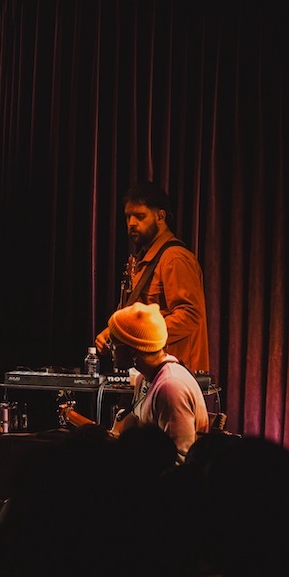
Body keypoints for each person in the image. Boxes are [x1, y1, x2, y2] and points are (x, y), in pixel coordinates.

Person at [94, 181, 210, 374]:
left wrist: (141, 335)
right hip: (155, 372)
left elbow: (190, 315)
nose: (132, 223)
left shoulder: (175, 258)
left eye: (140, 216)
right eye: (128, 217)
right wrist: (115, 331)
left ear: (160, 217)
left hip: (176, 373)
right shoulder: (143, 259)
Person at [104, 302, 209, 460]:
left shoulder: (170, 386)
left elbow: (179, 458)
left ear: (132, 350)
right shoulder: (143, 378)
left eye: (113, 342)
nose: (109, 348)